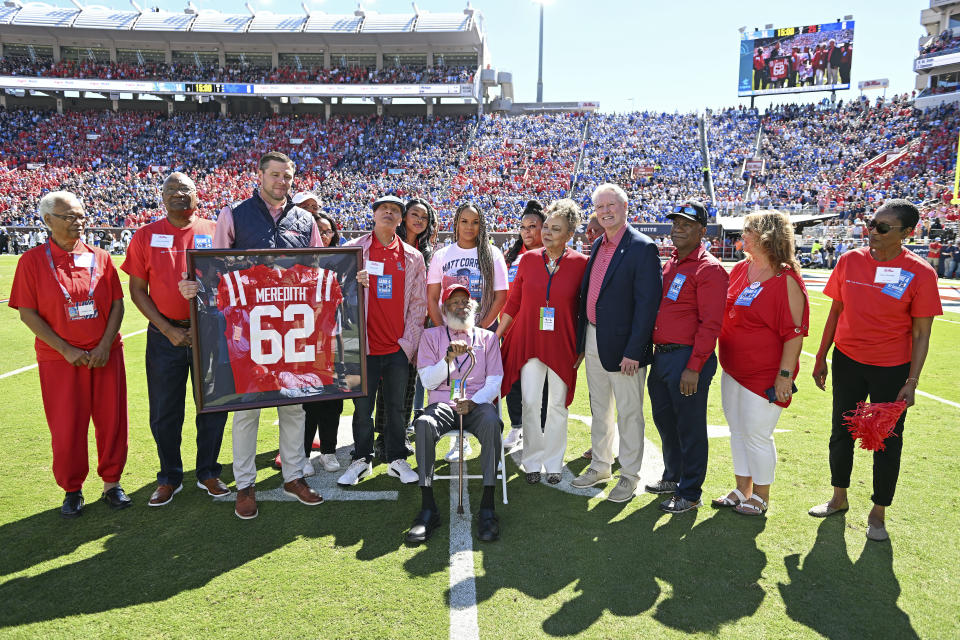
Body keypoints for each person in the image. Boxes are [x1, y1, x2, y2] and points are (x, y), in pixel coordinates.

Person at [183, 151, 324, 519]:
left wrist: (348, 281)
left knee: (293, 404)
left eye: (288, 177)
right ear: (259, 176)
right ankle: (245, 483)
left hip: (291, 329)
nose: (282, 182)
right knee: (246, 410)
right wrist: (194, 287)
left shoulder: (305, 219)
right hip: (247, 329)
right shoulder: (234, 214)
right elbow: (215, 270)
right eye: (275, 175)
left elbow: (319, 270)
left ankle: (293, 476)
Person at [809, 200, 942, 541]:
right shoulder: (849, 260)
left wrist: (912, 381)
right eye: (871, 223)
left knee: (886, 440)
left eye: (883, 227)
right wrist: (821, 356)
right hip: (848, 361)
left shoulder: (921, 272)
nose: (872, 231)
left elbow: (922, 333)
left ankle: (879, 512)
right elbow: (835, 312)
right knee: (841, 432)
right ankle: (839, 498)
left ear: (907, 233)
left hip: (892, 369)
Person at [9, 191, 131, 518]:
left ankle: (112, 483)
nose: (79, 221)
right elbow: (28, 312)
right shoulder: (31, 261)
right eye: (70, 216)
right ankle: (72, 489)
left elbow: (117, 304)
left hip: (106, 355)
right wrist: (65, 349)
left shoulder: (101, 257)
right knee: (66, 426)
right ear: (48, 220)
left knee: (113, 421)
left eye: (80, 215)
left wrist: (105, 345)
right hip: (60, 360)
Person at [122, 172, 229, 507]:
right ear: (161, 197)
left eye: (185, 189)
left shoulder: (215, 230)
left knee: (212, 406)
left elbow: (233, 278)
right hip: (164, 333)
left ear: (198, 194)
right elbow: (137, 290)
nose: (178, 194)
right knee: (165, 410)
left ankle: (209, 471)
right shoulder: (145, 235)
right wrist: (168, 330)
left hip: (209, 330)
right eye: (170, 189)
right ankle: (169, 476)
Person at [572, 183, 662, 503]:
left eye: (612, 205)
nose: (606, 211)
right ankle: (600, 465)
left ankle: (629, 474)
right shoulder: (599, 244)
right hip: (595, 336)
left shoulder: (642, 246)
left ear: (625, 208)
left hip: (625, 347)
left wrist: (634, 350)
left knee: (629, 412)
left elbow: (647, 305)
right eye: (600, 207)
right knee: (600, 409)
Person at [715, 210, 809, 516]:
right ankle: (743, 489)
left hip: (765, 373)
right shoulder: (742, 269)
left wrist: (784, 375)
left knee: (757, 433)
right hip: (733, 368)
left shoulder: (786, 279)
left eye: (748, 231)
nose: (742, 236)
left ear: (767, 237)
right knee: (738, 431)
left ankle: (762, 495)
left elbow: (794, 333)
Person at [337, 195, 428, 487]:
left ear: (401, 220)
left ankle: (396, 458)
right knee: (362, 409)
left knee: (396, 407)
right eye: (383, 209)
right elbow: (332, 291)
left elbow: (418, 305)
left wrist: (407, 346)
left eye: (395, 211)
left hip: (396, 348)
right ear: (374, 215)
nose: (389, 213)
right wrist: (352, 282)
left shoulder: (412, 257)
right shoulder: (353, 251)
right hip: (363, 347)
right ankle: (361, 459)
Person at [645, 201, 728, 513]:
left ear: (702, 231)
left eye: (686, 225)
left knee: (690, 427)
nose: (678, 229)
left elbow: (711, 324)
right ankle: (673, 475)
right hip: (663, 357)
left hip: (687, 359)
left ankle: (691, 492)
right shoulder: (673, 265)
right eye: (676, 224)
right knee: (666, 422)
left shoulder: (709, 269)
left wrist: (694, 366)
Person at [497, 199, 588, 484]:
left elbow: (584, 310)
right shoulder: (526, 259)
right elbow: (513, 303)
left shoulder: (581, 264)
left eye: (555, 229)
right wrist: (495, 337)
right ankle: (532, 461)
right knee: (530, 401)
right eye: (546, 227)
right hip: (529, 341)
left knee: (558, 406)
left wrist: (582, 347)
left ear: (570, 234)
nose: (547, 233)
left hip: (563, 344)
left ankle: (554, 463)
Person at [405, 284, 503, 544]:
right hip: (442, 403)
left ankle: (488, 507)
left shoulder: (488, 338)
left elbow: (495, 380)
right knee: (424, 424)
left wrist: (473, 401)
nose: (461, 306)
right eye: (454, 302)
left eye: (465, 302)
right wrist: (448, 359)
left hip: (477, 404)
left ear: (473, 307)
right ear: (445, 309)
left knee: (493, 422)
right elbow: (427, 381)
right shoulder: (431, 336)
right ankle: (428, 508)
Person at [427, 202, 509, 459]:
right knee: (453, 381)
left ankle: (483, 434)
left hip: (481, 334)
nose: (469, 227)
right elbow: (432, 298)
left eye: (474, 222)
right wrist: (443, 332)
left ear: (481, 225)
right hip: (449, 333)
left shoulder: (492, 254)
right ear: (456, 223)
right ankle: (457, 438)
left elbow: (501, 296)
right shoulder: (442, 255)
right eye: (464, 221)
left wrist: (482, 328)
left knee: (482, 384)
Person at [373, 197, 438, 459]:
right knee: (384, 386)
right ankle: (381, 437)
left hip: (416, 326)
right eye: (414, 214)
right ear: (403, 217)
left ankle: (400, 433)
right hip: (388, 326)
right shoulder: (390, 244)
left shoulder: (428, 253)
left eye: (424, 217)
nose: (419, 220)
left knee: (408, 383)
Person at [301, 208, 346, 474]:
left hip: (331, 341)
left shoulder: (342, 263)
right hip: (304, 343)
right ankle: (303, 454)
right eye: (318, 230)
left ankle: (328, 451)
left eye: (328, 230)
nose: (323, 236)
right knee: (307, 403)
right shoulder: (298, 265)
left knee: (332, 400)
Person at [502, 199, 546, 450]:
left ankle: (539, 430)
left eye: (533, 226)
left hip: (537, 332)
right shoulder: (512, 256)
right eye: (523, 227)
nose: (528, 232)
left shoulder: (548, 254)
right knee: (514, 382)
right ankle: (517, 427)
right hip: (510, 331)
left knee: (539, 384)